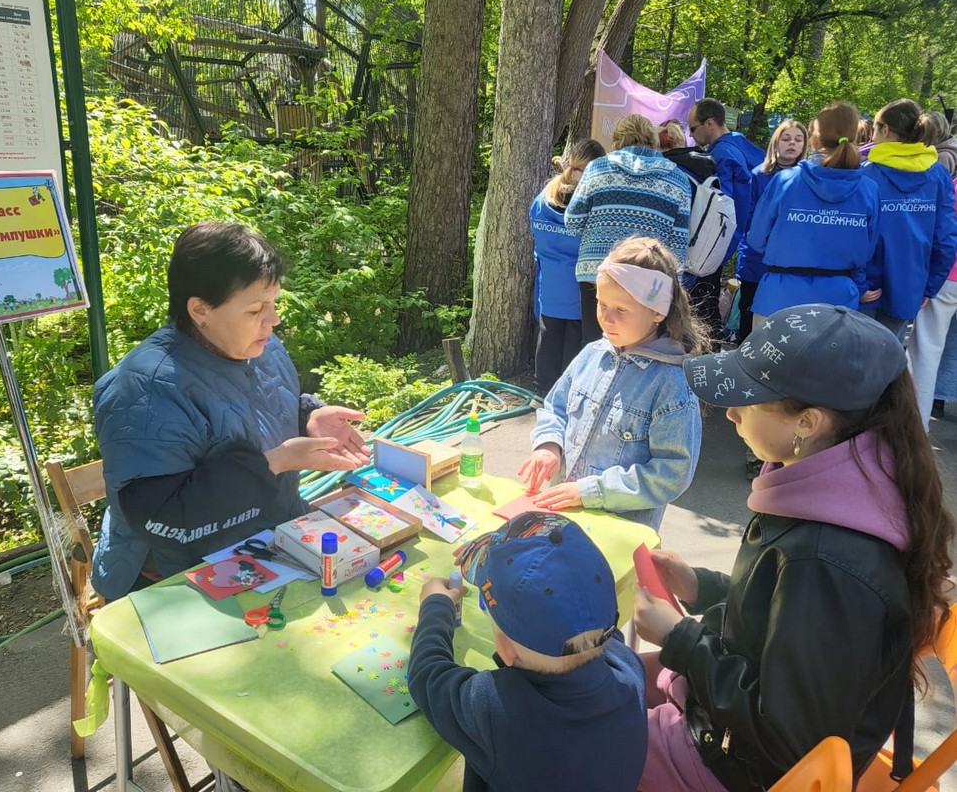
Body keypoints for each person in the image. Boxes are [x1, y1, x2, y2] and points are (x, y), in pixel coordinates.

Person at [635, 303, 955, 791]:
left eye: (749, 399)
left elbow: (790, 740)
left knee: (539, 733)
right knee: (585, 686)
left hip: (734, 765)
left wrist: (680, 639)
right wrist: (705, 587)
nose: (731, 412)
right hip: (725, 711)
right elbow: (788, 620)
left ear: (808, 422)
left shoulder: (829, 557)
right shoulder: (849, 482)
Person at [91, 222, 369, 601]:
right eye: (256, 309)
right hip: (182, 572)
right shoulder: (146, 386)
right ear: (200, 309)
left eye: (273, 304)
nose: (273, 321)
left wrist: (309, 418)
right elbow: (163, 518)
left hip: (272, 530)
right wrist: (274, 462)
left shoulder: (258, 343)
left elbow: (259, 408)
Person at [408, 511, 647, 792]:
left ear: (505, 652)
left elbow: (427, 676)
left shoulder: (496, 709)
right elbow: (589, 620)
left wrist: (436, 604)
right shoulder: (628, 667)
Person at [519, 237, 710, 530]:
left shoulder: (672, 383)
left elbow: (673, 472)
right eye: (601, 303)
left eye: (621, 310)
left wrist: (591, 492)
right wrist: (548, 446)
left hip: (620, 533)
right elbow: (555, 408)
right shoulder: (592, 354)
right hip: (563, 519)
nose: (606, 319)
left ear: (657, 311)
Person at [566, 114, 692, 346]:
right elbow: (678, 243)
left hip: (597, 269)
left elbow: (572, 221)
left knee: (596, 344)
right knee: (643, 346)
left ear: (617, 140)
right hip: (649, 275)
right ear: (653, 139)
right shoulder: (678, 178)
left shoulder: (597, 169)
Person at [747, 101, 879, 321]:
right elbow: (868, 250)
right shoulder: (868, 189)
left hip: (778, 297)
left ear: (814, 140)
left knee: (768, 357)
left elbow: (756, 239)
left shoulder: (785, 181)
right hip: (838, 302)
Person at [862, 99, 957, 340]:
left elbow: (851, 235)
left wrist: (859, 281)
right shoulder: (937, 175)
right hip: (910, 284)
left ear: (885, 130)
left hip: (865, 288)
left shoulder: (866, 174)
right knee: (888, 363)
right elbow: (945, 239)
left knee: (855, 363)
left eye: (874, 126)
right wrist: (929, 287)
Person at [529, 139, 606, 393]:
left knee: (547, 335)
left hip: (549, 284)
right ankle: (567, 396)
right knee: (574, 344)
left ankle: (541, 392)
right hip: (578, 287)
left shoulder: (543, 197)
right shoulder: (587, 202)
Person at [685, 98, 765, 338]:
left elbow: (721, 215)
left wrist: (712, 257)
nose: (691, 136)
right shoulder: (746, 146)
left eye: (693, 128)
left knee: (704, 310)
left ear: (710, 123)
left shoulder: (721, 155)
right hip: (757, 244)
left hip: (724, 245)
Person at [736, 119, 809, 343]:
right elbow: (748, 219)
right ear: (775, 143)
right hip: (757, 260)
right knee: (750, 318)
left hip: (792, 263)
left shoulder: (808, 179)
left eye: (798, 139)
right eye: (786, 139)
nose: (792, 144)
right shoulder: (758, 175)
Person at [908, 176, 957, 430]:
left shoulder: (951, 185)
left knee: (925, 352)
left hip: (948, 278)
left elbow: (944, 234)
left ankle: (917, 426)